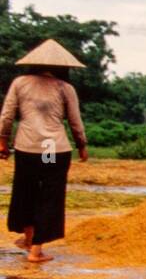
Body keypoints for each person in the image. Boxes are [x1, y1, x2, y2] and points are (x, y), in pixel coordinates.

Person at [0, 39, 89, 264]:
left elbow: (7, 115)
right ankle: (35, 250)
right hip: (52, 150)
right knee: (49, 195)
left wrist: (2, 140)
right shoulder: (65, 88)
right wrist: (82, 145)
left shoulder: (19, 83)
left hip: (27, 147)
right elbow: (75, 121)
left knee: (26, 191)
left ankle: (29, 238)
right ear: (63, 67)